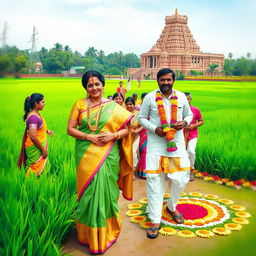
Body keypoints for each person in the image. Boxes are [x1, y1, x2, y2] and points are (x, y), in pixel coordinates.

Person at [67, 70, 134, 254]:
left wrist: (113, 134)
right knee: (88, 194)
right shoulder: (79, 105)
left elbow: (127, 130)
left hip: (108, 154)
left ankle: (106, 234)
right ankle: (87, 235)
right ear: (85, 87)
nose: (94, 88)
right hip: (85, 155)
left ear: (103, 85)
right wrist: (90, 137)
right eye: (90, 85)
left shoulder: (113, 106)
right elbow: (70, 129)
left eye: (97, 84)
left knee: (106, 193)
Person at [138, 68, 193, 239]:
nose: (166, 83)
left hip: (176, 145)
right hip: (156, 146)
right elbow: (141, 118)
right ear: (158, 81)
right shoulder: (150, 98)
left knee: (181, 179)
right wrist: (155, 129)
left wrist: (184, 122)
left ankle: (171, 206)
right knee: (155, 182)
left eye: (168, 80)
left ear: (173, 80)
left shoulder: (182, 97)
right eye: (162, 80)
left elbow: (189, 114)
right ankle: (155, 220)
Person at [18, 93, 54, 176]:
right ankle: (29, 185)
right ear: (36, 104)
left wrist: (46, 130)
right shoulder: (33, 117)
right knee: (34, 169)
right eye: (43, 102)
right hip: (34, 147)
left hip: (37, 146)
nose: (44, 104)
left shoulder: (36, 113)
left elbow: (37, 129)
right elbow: (33, 136)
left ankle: (40, 184)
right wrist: (43, 149)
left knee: (41, 170)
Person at [184, 92, 204, 181]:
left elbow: (201, 121)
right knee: (181, 153)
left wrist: (193, 126)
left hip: (192, 134)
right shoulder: (178, 110)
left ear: (190, 99)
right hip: (181, 135)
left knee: (191, 151)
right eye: (184, 99)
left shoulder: (195, 110)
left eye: (188, 99)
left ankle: (191, 170)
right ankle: (182, 171)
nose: (186, 100)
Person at [125, 97, 140, 177]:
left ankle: (133, 172)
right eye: (127, 104)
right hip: (125, 137)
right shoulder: (123, 113)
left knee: (133, 154)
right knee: (125, 154)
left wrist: (137, 131)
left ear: (134, 105)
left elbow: (143, 125)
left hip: (135, 136)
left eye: (131, 104)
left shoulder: (138, 114)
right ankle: (126, 171)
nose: (129, 106)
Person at [137, 93, 148, 179]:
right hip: (140, 133)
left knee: (147, 151)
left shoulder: (153, 109)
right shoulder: (138, 110)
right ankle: (140, 171)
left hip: (150, 133)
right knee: (142, 151)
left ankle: (146, 172)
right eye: (144, 99)